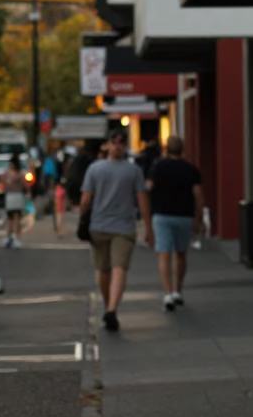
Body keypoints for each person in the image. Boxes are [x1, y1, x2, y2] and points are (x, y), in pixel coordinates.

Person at [79, 131, 153, 332]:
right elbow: (142, 199)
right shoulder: (134, 171)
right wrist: (149, 227)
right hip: (122, 227)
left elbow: (85, 199)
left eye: (121, 142)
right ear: (107, 145)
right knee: (117, 268)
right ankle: (111, 307)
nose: (118, 146)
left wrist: (82, 219)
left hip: (101, 226)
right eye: (115, 142)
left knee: (104, 269)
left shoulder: (94, 169)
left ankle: (110, 307)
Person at [147, 136, 203, 311]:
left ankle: (167, 293)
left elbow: (148, 187)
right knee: (181, 254)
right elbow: (198, 196)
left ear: (166, 149)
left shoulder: (158, 167)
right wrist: (198, 218)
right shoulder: (191, 170)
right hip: (184, 216)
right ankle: (178, 290)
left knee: (164, 254)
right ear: (183, 149)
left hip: (162, 215)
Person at [2, 155, 28, 249]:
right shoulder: (20, 173)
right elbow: (25, 184)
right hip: (17, 195)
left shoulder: (7, 173)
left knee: (10, 218)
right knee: (16, 217)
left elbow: (3, 184)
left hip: (11, 196)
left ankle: (9, 237)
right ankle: (15, 237)